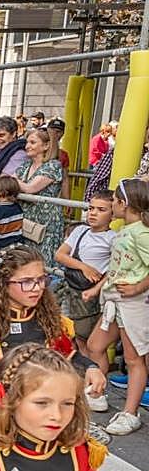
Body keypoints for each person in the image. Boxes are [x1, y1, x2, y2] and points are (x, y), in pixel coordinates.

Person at [0, 245, 103, 435]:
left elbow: (66, 356)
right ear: (3, 283)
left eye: (41, 280)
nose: (36, 288)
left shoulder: (51, 320)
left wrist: (91, 367)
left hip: (38, 413)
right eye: (26, 282)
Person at [83, 179, 149, 435]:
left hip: (132, 303)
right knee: (95, 345)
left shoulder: (142, 232)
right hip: (114, 300)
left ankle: (130, 413)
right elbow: (116, 268)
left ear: (124, 204)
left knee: (134, 359)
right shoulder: (128, 230)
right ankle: (98, 392)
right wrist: (97, 289)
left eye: (114, 201)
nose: (112, 204)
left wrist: (138, 288)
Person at [54, 191, 115, 347]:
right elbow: (60, 255)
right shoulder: (80, 230)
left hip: (88, 293)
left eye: (101, 210)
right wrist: (84, 267)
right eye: (91, 208)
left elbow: (114, 269)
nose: (93, 213)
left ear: (113, 215)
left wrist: (96, 288)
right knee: (65, 331)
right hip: (70, 288)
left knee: (84, 338)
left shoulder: (112, 238)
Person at [14, 127, 66, 264]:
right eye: (27, 142)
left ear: (46, 145)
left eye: (32, 142)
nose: (27, 146)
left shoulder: (53, 166)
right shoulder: (25, 165)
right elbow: (8, 182)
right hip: (25, 218)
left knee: (43, 260)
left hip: (46, 221)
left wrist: (13, 182)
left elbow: (30, 188)